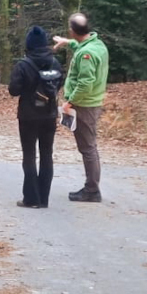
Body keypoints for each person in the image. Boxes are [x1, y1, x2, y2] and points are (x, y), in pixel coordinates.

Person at [53, 13, 109, 202]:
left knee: (88, 148)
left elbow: (86, 82)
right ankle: (92, 187)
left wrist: (70, 101)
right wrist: (68, 42)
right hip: (91, 103)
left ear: (72, 29)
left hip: (84, 105)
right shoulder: (97, 45)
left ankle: (92, 190)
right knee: (88, 146)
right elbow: (82, 46)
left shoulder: (87, 54)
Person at [8, 26, 63, 208]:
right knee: (47, 155)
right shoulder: (55, 63)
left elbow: (13, 90)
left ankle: (31, 198)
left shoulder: (23, 65)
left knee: (29, 155)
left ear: (28, 45)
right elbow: (58, 85)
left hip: (28, 115)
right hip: (49, 114)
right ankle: (44, 199)